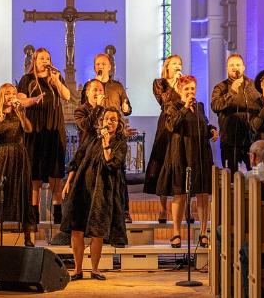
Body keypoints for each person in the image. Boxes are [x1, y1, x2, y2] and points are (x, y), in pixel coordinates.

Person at [61, 107, 128, 281]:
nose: (109, 122)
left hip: (103, 190)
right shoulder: (92, 137)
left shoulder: (120, 142)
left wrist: (106, 143)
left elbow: (112, 164)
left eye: (113, 119)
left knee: (97, 230)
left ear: (118, 123)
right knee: (77, 229)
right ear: (102, 121)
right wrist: (68, 182)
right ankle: (77, 269)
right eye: (107, 119)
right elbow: (77, 159)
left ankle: (95, 269)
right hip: (82, 187)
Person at [156, 75, 218, 248]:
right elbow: (171, 126)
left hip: (200, 154)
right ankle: (176, 232)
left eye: (192, 88)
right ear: (180, 90)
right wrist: (184, 107)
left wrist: (211, 130)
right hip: (180, 153)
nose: (190, 92)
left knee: (203, 195)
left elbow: (202, 125)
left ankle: (204, 233)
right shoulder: (172, 106)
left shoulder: (199, 107)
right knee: (180, 194)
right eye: (187, 89)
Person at [17, 48, 70, 224]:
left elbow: (67, 96)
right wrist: (32, 100)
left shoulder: (55, 78)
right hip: (36, 130)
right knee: (35, 175)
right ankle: (33, 216)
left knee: (55, 172)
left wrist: (56, 80)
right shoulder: (27, 79)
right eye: (41, 58)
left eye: (47, 58)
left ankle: (57, 216)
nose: (45, 61)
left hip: (54, 128)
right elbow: (20, 100)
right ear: (35, 61)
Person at [0, 84, 37, 246]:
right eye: (7, 94)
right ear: (1, 97)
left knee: (22, 191)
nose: (11, 96)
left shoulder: (19, 112)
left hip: (19, 155)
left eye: (13, 93)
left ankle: (27, 237)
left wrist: (21, 114)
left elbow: (28, 129)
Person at [82, 53, 132, 223]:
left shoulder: (117, 86)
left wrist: (125, 108)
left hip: (115, 137)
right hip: (96, 137)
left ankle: (124, 211)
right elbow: (85, 108)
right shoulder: (90, 86)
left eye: (103, 63)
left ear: (109, 66)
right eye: (97, 63)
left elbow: (127, 107)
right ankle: (94, 210)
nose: (100, 66)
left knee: (120, 174)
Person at [143, 55, 183, 224]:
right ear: (167, 66)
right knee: (162, 162)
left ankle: (185, 207)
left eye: (179, 64)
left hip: (181, 122)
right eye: (174, 64)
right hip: (166, 124)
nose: (177, 67)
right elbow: (164, 101)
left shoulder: (184, 82)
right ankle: (162, 209)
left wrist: (181, 85)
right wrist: (174, 84)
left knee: (181, 162)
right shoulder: (160, 83)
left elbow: (187, 100)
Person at [211, 54, 261, 174]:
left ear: (243, 67)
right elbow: (215, 106)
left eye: (238, 65)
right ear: (227, 68)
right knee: (231, 178)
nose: (235, 68)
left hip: (250, 140)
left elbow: (260, 107)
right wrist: (232, 91)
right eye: (231, 65)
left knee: (256, 175)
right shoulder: (220, 87)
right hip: (230, 140)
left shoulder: (253, 86)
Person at [74, 79, 105, 144]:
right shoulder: (80, 110)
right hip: (88, 150)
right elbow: (86, 126)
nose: (98, 93)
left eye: (101, 90)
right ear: (87, 93)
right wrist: (97, 107)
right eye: (95, 90)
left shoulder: (106, 110)